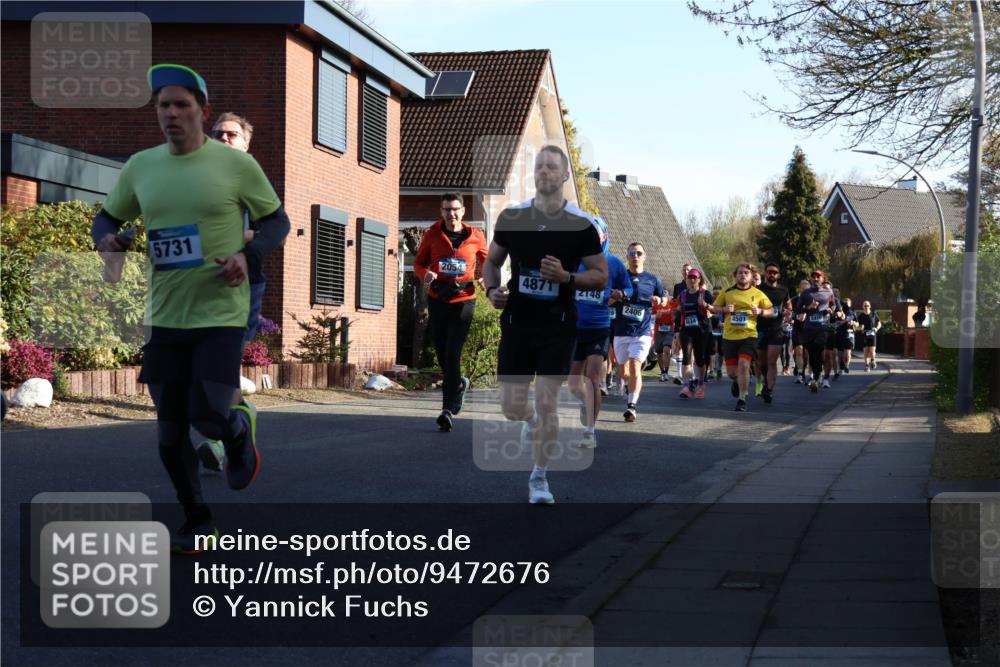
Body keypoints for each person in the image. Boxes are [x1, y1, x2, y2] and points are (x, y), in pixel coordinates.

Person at [93, 64, 289, 553]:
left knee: (207, 415)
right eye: (164, 105)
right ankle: (197, 520)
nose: (172, 113)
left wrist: (247, 256)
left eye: (182, 104)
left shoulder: (235, 166)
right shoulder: (141, 166)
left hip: (220, 314)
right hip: (165, 316)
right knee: (168, 432)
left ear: (202, 111)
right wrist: (107, 240)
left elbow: (277, 222)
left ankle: (237, 431)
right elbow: (107, 216)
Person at [483, 145, 607, 505]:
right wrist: (491, 290)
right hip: (518, 322)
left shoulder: (580, 224)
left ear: (565, 175)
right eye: (538, 166)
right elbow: (491, 262)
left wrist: (567, 277)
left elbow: (600, 275)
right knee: (511, 407)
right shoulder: (512, 217)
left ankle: (539, 478)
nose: (543, 172)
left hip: (558, 326)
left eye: (551, 167)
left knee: (548, 401)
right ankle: (530, 418)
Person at [196, 111, 266, 472]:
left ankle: (223, 441)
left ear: (246, 144)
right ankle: (239, 418)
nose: (223, 139)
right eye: (218, 133)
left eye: (231, 135)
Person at [413, 193, 488, 432]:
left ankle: (446, 409)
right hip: (438, 298)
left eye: (455, 209)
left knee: (452, 352)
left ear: (463, 211)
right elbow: (418, 263)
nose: (451, 214)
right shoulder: (432, 235)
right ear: (441, 211)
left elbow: (488, 263)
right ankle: (458, 385)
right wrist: (424, 274)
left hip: (464, 300)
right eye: (446, 209)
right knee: (442, 351)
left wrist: (486, 278)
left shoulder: (476, 236)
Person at [568, 217, 631, 448]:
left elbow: (628, 287)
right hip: (575, 328)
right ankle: (587, 402)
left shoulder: (613, 263)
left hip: (599, 327)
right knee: (574, 384)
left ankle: (589, 432)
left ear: (604, 235)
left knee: (594, 378)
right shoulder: (574, 260)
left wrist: (621, 294)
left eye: (595, 233)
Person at [609, 242, 665, 422]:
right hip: (621, 331)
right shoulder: (620, 278)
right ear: (627, 257)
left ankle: (631, 406)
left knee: (635, 367)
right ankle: (629, 386)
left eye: (639, 253)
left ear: (644, 257)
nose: (635, 256)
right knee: (623, 372)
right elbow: (607, 300)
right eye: (632, 253)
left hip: (641, 332)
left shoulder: (652, 279)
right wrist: (615, 296)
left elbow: (665, 298)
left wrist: (659, 300)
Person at [714, 263, 774, 412]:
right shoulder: (727, 292)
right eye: (740, 273)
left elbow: (771, 311)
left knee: (744, 365)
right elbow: (715, 307)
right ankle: (737, 381)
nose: (743, 275)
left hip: (749, 335)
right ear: (735, 276)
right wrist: (724, 309)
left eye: (746, 273)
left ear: (751, 276)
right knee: (732, 373)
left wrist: (760, 311)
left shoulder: (758, 293)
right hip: (729, 336)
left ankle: (742, 399)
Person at [795, 271, 838, 392]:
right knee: (812, 354)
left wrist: (830, 309)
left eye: (818, 277)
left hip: (822, 327)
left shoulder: (828, 292)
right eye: (813, 277)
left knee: (819, 351)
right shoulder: (806, 293)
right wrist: (808, 308)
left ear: (822, 278)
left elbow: (834, 305)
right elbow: (797, 309)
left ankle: (816, 378)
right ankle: (816, 375)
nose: (815, 279)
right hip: (809, 328)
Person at [675, 268, 714, 399]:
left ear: (699, 279)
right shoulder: (682, 295)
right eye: (690, 277)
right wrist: (677, 328)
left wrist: (705, 305)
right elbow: (678, 312)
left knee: (699, 359)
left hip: (702, 330)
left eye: (694, 277)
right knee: (686, 357)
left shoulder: (705, 293)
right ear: (686, 280)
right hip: (686, 329)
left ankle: (701, 384)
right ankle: (686, 386)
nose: (692, 280)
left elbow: (715, 309)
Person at [754, 262, 790, 404]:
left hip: (776, 329)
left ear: (778, 275)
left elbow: (788, 306)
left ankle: (769, 390)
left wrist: (787, 312)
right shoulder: (758, 290)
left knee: (772, 362)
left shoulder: (783, 290)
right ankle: (765, 380)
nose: (772, 274)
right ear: (765, 273)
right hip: (760, 329)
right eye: (769, 272)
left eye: (775, 272)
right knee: (761, 362)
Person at [652, 293, 676, 382]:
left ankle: (666, 372)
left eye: (666, 295)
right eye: (663, 295)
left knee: (666, 349)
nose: (664, 297)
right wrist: (655, 316)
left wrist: (673, 317)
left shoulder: (671, 304)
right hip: (658, 329)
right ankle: (662, 372)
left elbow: (675, 317)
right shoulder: (655, 304)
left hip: (669, 329)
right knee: (659, 352)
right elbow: (650, 316)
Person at [791, 279, 811, 383]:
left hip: (809, 329)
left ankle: (802, 369)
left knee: (806, 354)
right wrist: (795, 316)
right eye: (802, 289)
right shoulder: (794, 300)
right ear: (799, 289)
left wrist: (806, 315)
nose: (804, 291)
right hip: (798, 328)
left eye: (806, 289)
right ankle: (800, 374)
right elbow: (789, 312)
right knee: (798, 351)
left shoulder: (813, 300)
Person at [857, 300, 882, 370]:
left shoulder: (873, 314)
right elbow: (857, 326)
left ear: (870, 306)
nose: (866, 307)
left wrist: (876, 328)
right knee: (865, 352)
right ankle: (867, 365)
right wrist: (860, 328)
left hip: (872, 334)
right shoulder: (861, 316)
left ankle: (873, 360)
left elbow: (879, 323)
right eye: (865, 306)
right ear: (862, 307)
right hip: (864, 335)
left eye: (867, 305)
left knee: (872, 350)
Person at [835, 295, 856, 375]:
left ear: (850, 304)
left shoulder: (852, 313)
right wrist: (842, 321)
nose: (846, 305)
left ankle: (847, 365)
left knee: (847, 352)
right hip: (840, 334)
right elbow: (835, 322)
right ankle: (841, 367)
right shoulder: (839, 312)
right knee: (840, 354)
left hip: (849, 334)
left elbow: (857, 324)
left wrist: (853, 323)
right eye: (844, 303)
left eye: (847, 303)